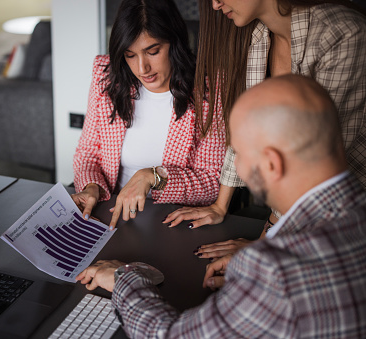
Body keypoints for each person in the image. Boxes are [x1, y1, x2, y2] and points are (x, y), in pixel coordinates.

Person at [76, 75, 366, 337]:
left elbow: (172, 335)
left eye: (237, 151)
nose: (235, 164)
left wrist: (123, 278)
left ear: (270, 163)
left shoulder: (276, 271)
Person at [164, 0, 366, 238]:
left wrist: (265, 242)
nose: (216, 4)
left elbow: (312, 160)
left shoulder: (343, 33)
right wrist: (220, 205)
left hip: (347, 215)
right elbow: (247, 128)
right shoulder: (261, 37)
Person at [72, 0, 226, 229]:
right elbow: (87, 154)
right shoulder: (107, 76)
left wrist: (154, 176)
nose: (142, 68)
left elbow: (213, 180)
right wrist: (92, 186)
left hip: (174, 220)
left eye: (152, 51)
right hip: (111, 212)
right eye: (130, 55)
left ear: (174, 42)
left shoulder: (210, 89)